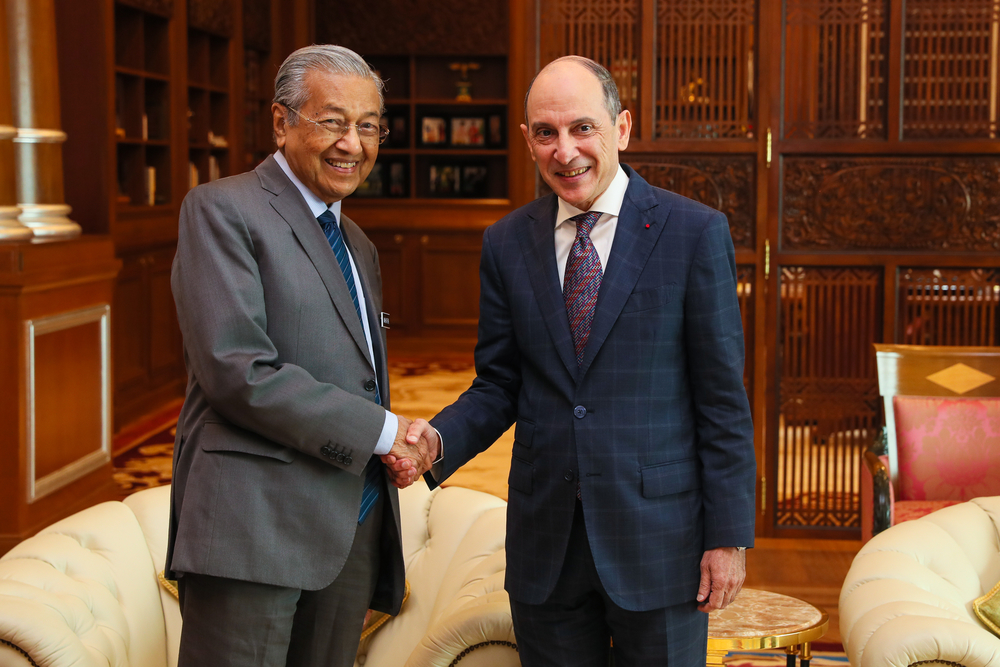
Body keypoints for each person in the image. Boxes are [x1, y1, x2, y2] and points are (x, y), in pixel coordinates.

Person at [391, 56, 756, 666]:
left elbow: (721, 401)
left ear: (623, 128)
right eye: (546, 132)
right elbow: (499, 385)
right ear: (528, 140)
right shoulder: (507, 242)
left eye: (582, 128)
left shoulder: (693, 234)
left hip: (659, 545)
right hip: (546, 546)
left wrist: (727, 538)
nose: (565, 151)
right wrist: (436, 441)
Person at [166, 45, 432, 667]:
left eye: (369, 127)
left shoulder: (356, 242)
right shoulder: (221, 209)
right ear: (282, 123)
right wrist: (385, 432)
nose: (353, 144)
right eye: (332, 121)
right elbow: (238, 372)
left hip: (347, 524)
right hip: (252, 530)